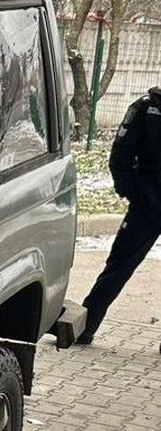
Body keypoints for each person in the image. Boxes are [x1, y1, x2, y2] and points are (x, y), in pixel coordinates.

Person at [78, 84, 161, 345]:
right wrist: (133, 192)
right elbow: (121, 154)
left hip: (146, 202)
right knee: (118, 267)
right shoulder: (146, 109)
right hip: (146, 206)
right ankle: (85, 326)